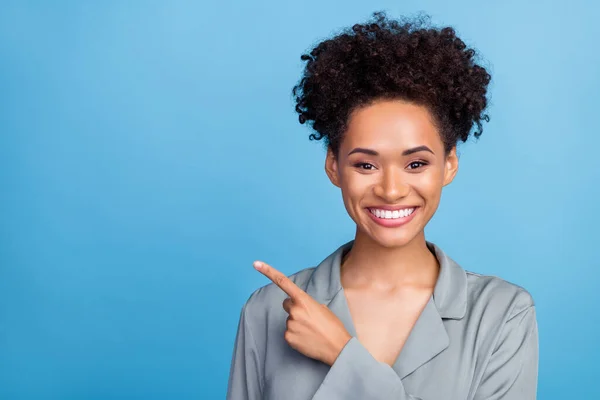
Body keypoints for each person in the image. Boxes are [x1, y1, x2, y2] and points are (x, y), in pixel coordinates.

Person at [226, 11, 538, 400]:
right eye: (366, 164)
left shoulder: (501, 312)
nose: (391, 190)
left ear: (450, 165)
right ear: (333, 166)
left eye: (416, 164)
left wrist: (344, 357)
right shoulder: (270, 310)